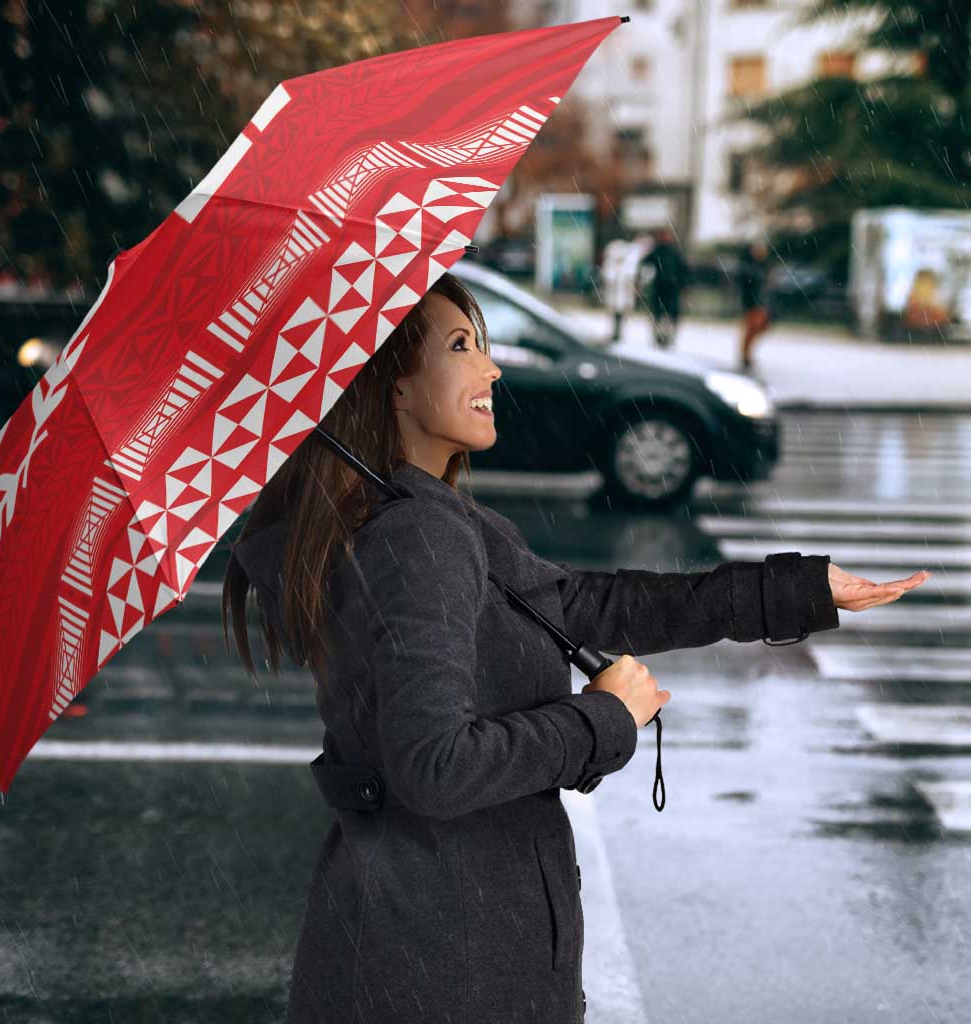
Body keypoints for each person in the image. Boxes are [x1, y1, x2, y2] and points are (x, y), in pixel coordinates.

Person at [223, 271, 923, 1024]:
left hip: (428, 942)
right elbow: (434, 768)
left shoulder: (423, 517)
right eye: (461, 346)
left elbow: (587, 605)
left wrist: (797, 591)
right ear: (393, 385)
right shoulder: (416, 537)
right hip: (445, 963)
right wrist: (602, 719)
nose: (491, 368)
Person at [639, 226, 689, 349]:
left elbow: (683, 270)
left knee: (667, 315)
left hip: (670, 288)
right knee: (660, 314)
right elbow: (645, 264)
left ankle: (666, 337)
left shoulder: (672, 252)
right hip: (662, 288)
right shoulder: (659, 251)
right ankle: (660, 337)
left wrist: (682, 284)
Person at [737, 239, 773, 370]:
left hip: (761, 303)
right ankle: (745, 355)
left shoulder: (764, 266)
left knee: (759, 328)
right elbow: (746, 286)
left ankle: (746, 354)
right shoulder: (749, 267)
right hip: (752, 303)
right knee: (751, 329)